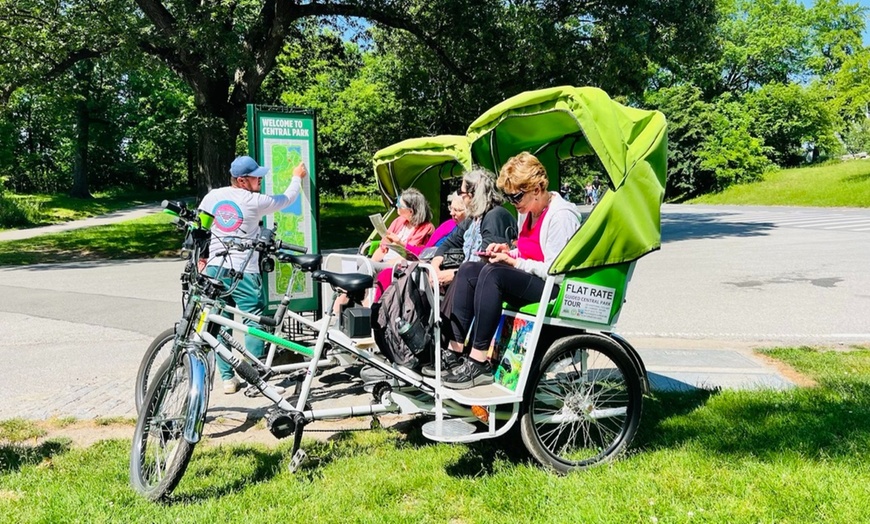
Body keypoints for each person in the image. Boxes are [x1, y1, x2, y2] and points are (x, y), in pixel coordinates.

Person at [440, 152, 582, 389]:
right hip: (533, 277)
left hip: (553, 288)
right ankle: (455, 351)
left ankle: (478, 361)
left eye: (516, 196)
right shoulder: (528, 211)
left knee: (493, 273)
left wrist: (514, 263)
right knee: (469, 269)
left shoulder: (561, 216)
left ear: (537, 188)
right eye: (509, 196)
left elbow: (556, 271)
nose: (513, 203)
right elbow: (529, 250)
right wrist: (509, 251)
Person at [198, 155, 307, 394]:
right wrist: (296, 177)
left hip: (216, 268)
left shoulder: (212, 197)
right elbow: (287, 198)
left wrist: (202, 258)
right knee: (253, 320)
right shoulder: (253, 201)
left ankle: (228, 378)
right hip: (244, 269)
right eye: (256, 176)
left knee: (219, 320)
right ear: (242, 180)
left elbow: (200, 229)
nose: (261, 179)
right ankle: (252, 374)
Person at [429, 168, 516, 290]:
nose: (460, 195)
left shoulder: (494, 216)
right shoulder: (473, 219)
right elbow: (449, 243)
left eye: (461, 192)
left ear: (472, 194)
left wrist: (452, 274)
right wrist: (435, 265)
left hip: (480, 286)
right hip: (467, 280)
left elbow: (487, 262)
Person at [373, 193, 466, 301]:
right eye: (451, 208)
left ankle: (377, 310)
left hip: (436, 266)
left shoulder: (428, 228)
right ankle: (373, 309)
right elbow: (427, 249)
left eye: (457, 210)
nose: (451, 213)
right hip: (426, 260)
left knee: (387, 274)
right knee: (376, 271)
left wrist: (402, 244)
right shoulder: (448, 224)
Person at [371, 187, 434, 263]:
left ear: (411, 211)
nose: (397, 206)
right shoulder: (399, 220)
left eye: (400, 205)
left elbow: (411, 254)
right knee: (365, 266)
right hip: (385, 260)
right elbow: (383, 247)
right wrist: (372, 262)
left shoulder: (426, 228)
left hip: (402, 265)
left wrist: (399, 242)